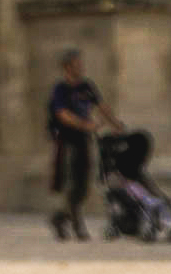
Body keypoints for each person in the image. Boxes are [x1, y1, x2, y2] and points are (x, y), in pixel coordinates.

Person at [49, 47, 122, 241]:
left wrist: (115, 124)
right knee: (72, 183)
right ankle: (74, 223)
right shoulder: (61, 89)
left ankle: (61, 218)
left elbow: (101, 106)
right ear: (67, 67)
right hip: (68, 142)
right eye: (76, 64)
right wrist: (84, 124)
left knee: (83, 186)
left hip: (84, 141)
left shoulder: (86, 87)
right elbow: (62, 114)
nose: (80, 67)